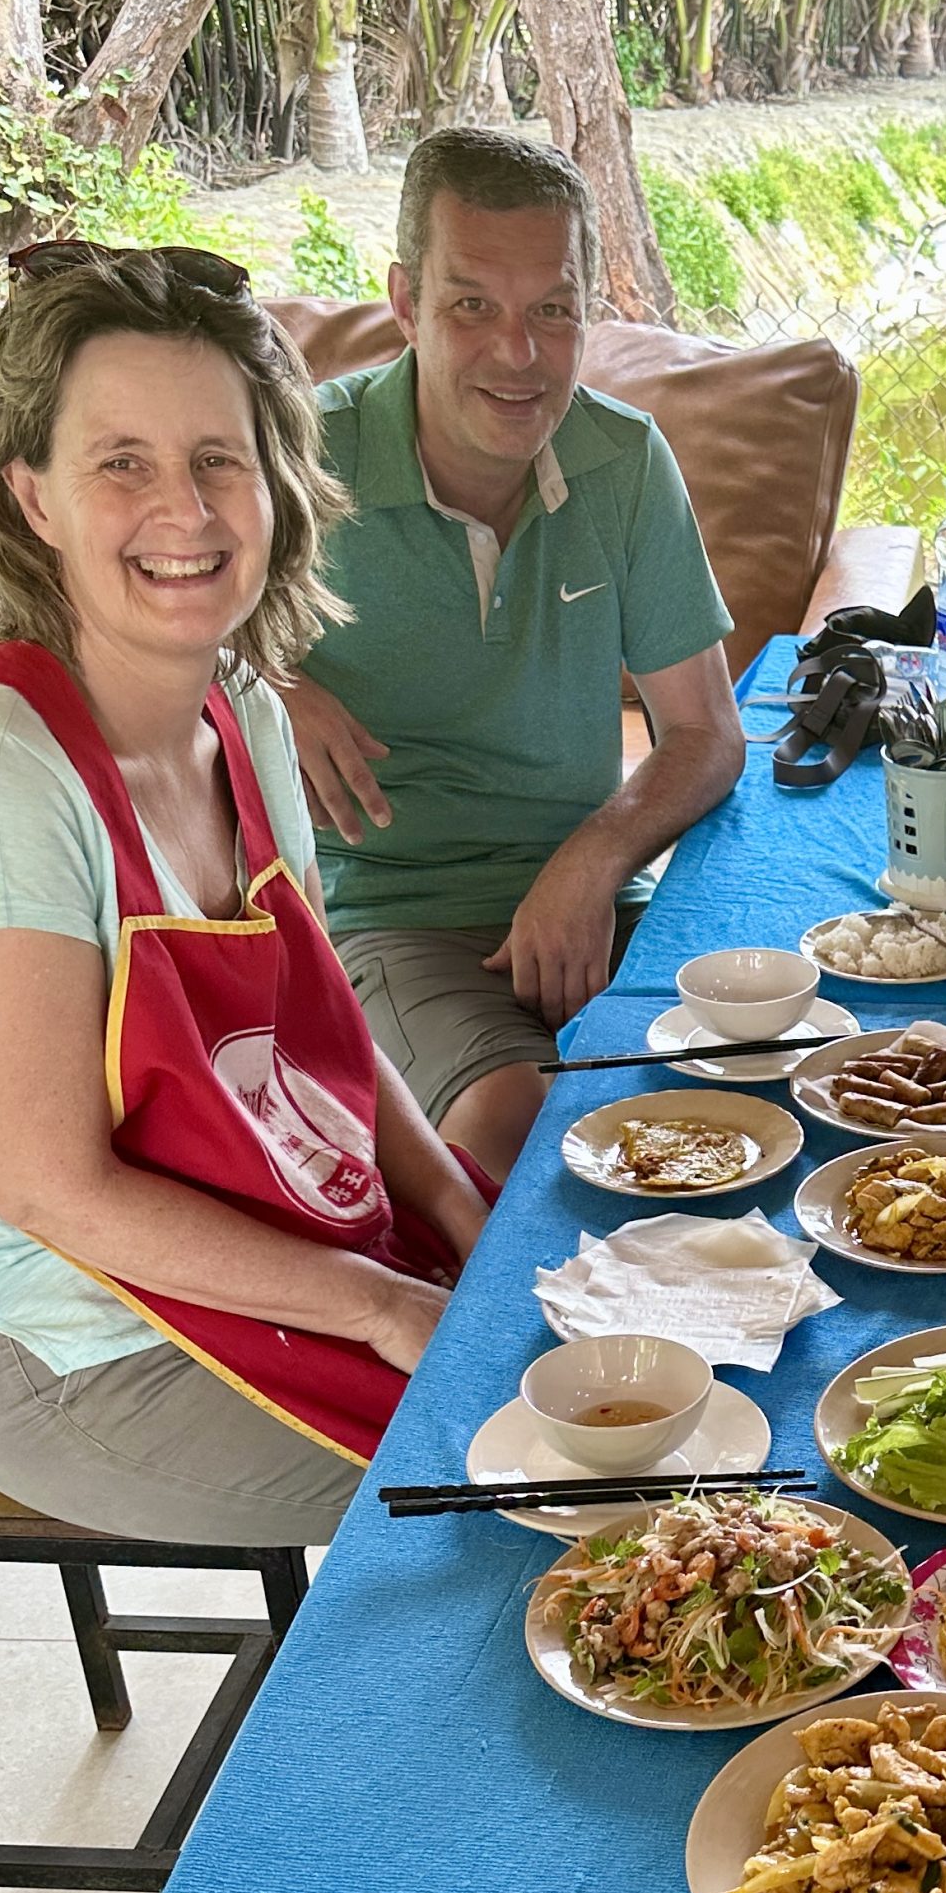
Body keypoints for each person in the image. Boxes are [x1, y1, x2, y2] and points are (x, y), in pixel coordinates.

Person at [0, 245, 491, 1545]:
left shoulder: (242, 706)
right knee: (526, 1474)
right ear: (33, 498)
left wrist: (463, 1213)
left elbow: (321, 1034)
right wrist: (384, 1303)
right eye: (122, 462)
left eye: (220, 458)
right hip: (71, 1340)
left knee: (604, 1371)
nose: (185, 507)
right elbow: (50, 1189)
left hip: (262, 1234)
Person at [282, 130, 746, 1183]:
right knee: (517, 1130)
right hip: (393, 915)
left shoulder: (624, 459)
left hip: (594, 898)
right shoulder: (299, 457)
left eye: (552, 310)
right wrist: (266, 683)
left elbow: (707, 733)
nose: (519, 354)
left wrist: (592, 862)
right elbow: (143, 645)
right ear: (404, 303)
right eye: (471, 306)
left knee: (767, 1066)